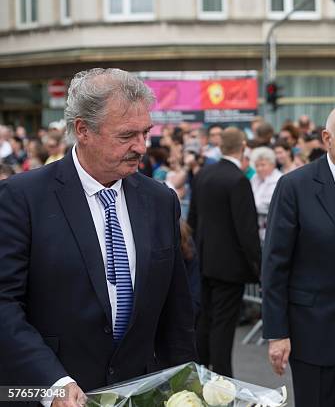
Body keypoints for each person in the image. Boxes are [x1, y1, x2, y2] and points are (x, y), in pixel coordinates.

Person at [0, 68, 196, 405]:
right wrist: (52, 381)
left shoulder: (160, 200)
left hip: (140, 392)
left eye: (145, 133)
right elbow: (4, 303)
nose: (141, 147)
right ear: (82, 130)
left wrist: (185, 386)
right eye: (126, 136)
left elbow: (176, 309)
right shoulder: (22, 198)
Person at [263, 104, 335, 407]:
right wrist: (277, 333)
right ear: (327, 138)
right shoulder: (295, 187)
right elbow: (275, 265)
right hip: (314, 333)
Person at [188, 127, 261, 377]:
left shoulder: (203, 175)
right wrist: (259, 266)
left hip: (204, 261)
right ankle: (221, 377)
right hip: (230, 267)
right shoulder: (238, 180)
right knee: (223, 324)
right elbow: (247, 230)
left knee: (205, 318)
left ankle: (200, 371)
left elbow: (193, 219)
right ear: (242, 147)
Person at [250, 146, 282, 242]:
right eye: (257, 166)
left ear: (272, 164)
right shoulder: (255, 178)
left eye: (263, 165)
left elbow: (265, 204)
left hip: (271, 229)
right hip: (256, 230)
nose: (259, 169)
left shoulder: (279, 179)